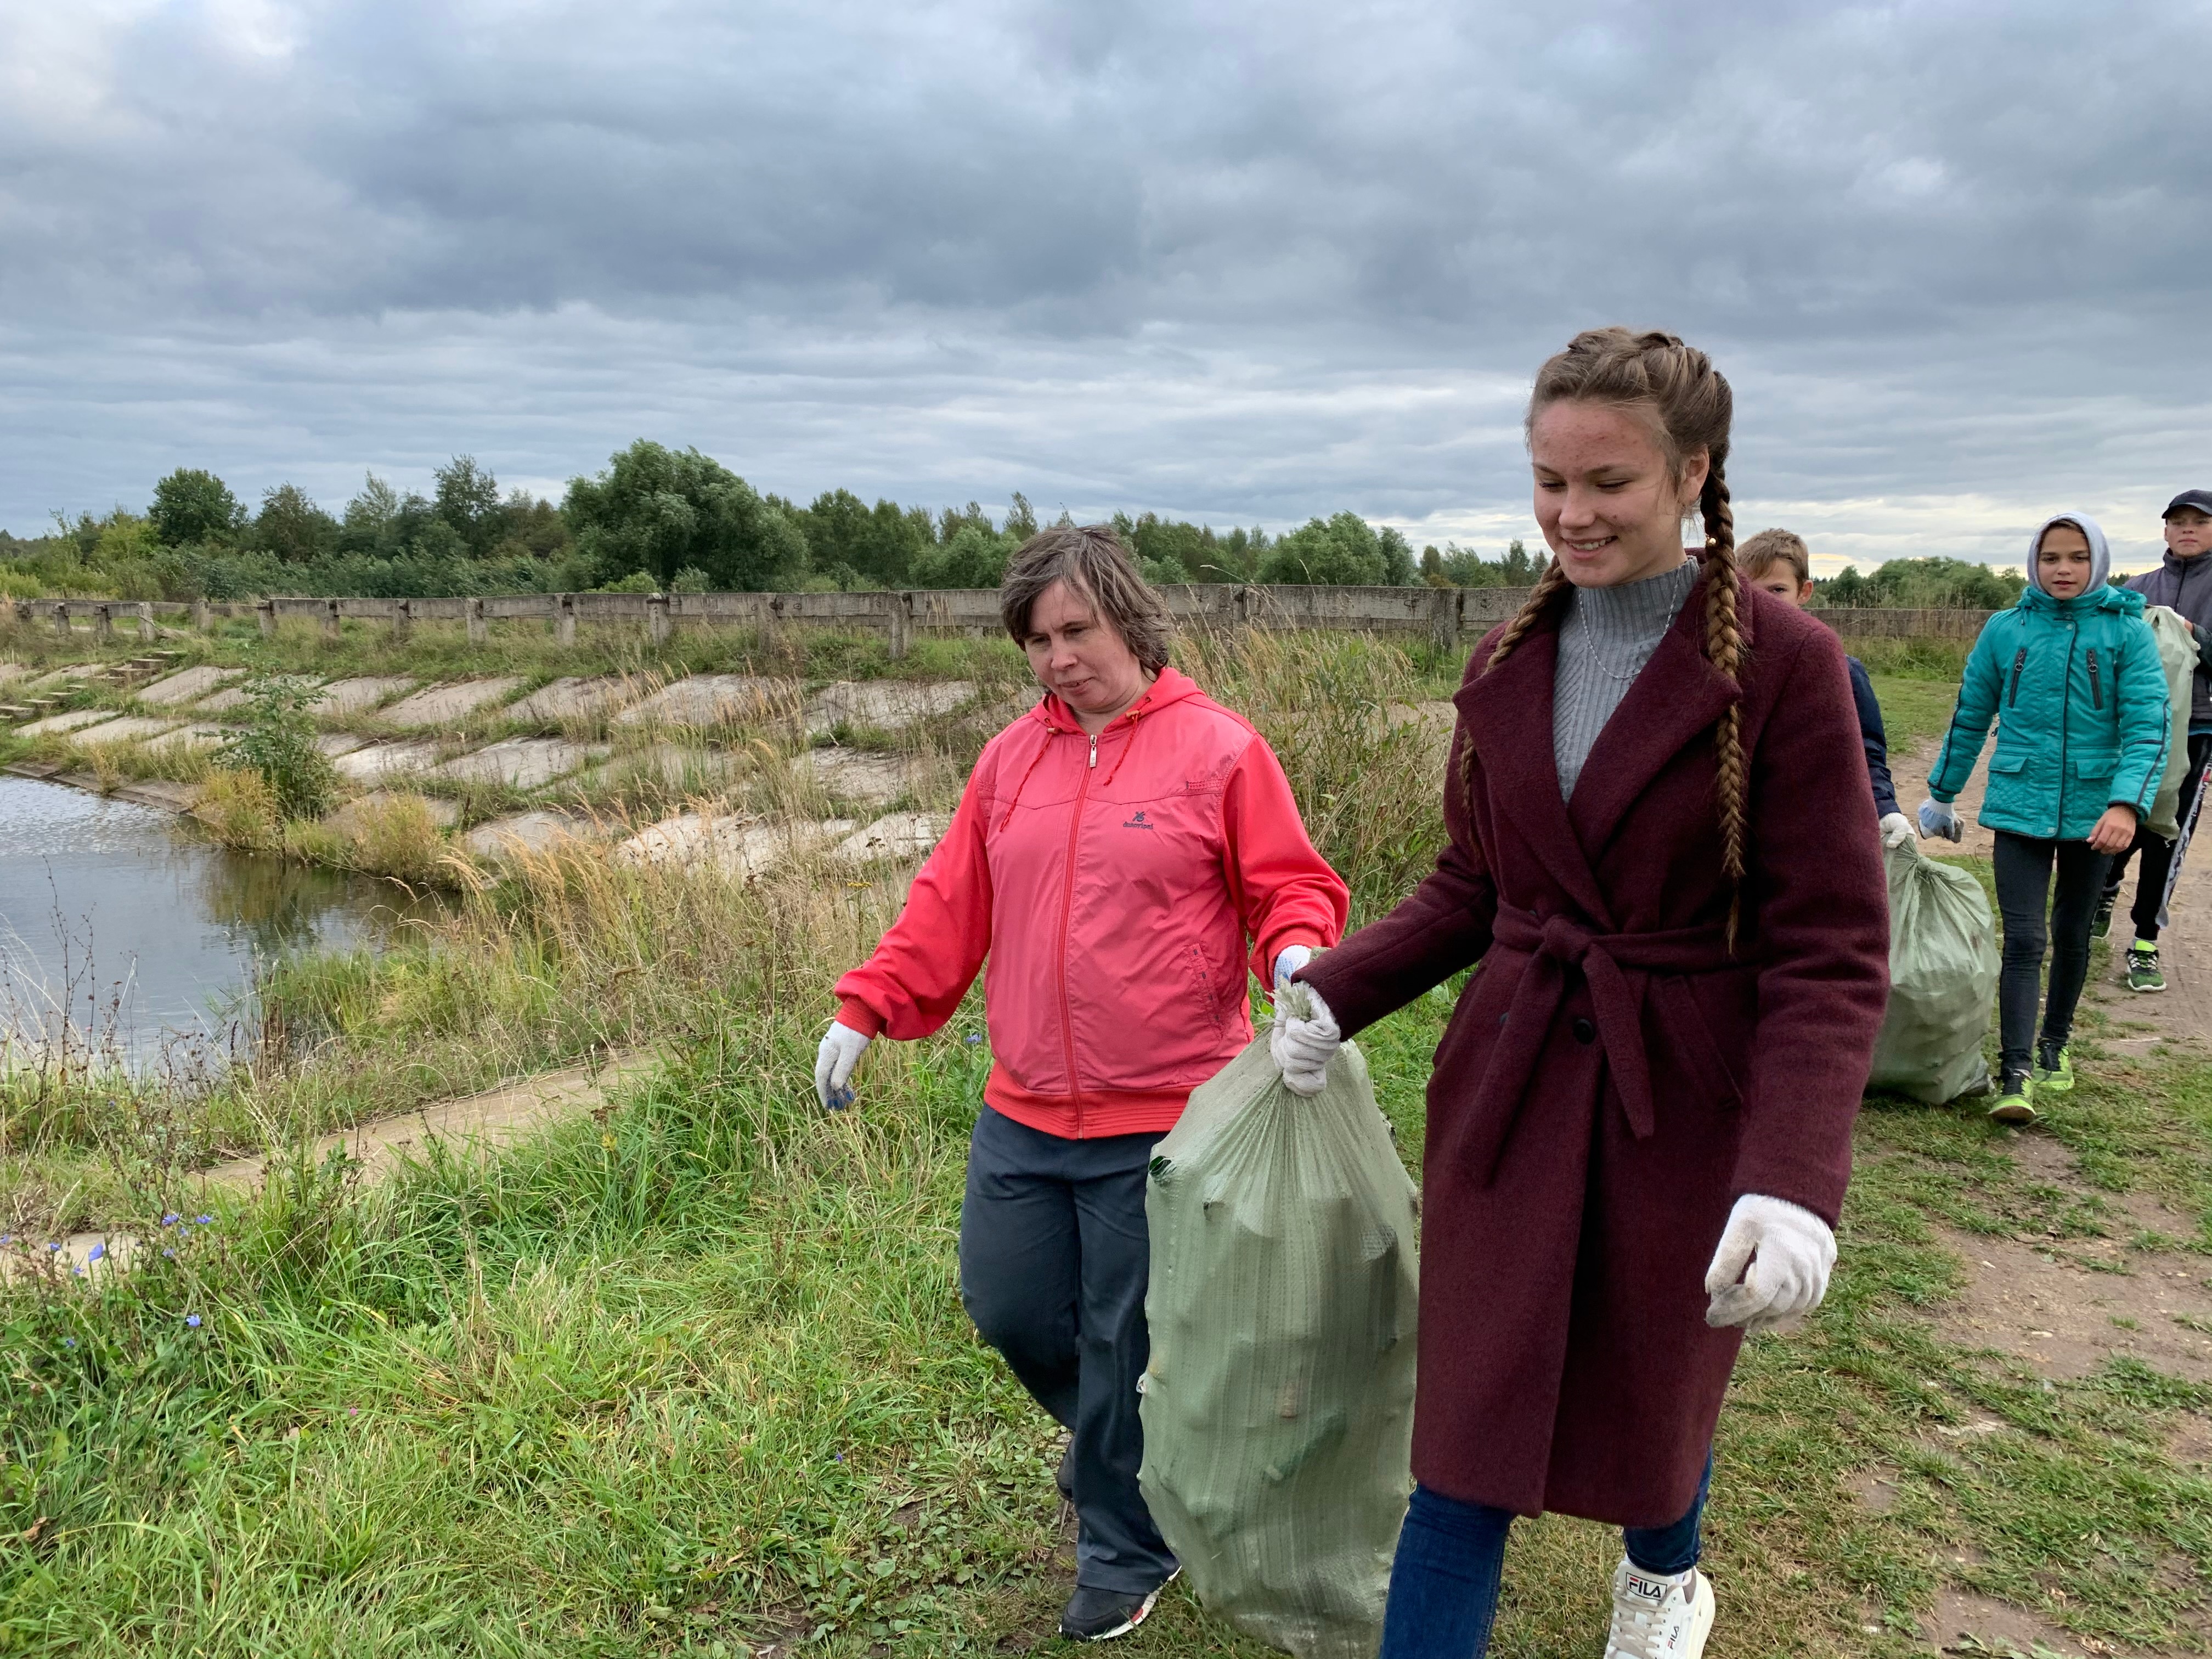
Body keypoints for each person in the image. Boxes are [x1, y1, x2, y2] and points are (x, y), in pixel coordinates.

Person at [1271, 327, 1891, 1659]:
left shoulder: (1785, 667)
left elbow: (1832, 948)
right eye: (1548, 479)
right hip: (1512, 1090)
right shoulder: (1506, 658)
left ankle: (1665, 1573)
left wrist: (1794, 1178)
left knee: (1659, 1388)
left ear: (1690, 474)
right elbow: (1475, 885)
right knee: (1462, 1450)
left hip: (1684, 1098)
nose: (1571, 513)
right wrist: (1336, 990)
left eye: (1606, 481)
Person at [814, 525, 1348, 1644]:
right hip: (1024, 1108)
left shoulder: (1220, 751)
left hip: (1163, 1111)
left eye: (1076, 629)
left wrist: (1298, 955)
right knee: (1012, 1309)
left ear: (1130, 621)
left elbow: (1287, 887)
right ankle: (1130, 1446)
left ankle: (1128, 1542)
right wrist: (869, 1004)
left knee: (1122, 1340)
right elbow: (950, 900)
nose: (1057, 656)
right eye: (1036, 638)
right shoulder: (1012, 761)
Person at [1918, 513, 2167, 1121]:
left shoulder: (2127, 633)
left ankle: (2056, 1045)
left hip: (2097, 814)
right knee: (2025, 939)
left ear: (2098, 562)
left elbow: (2147, 727)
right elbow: (1970, 713)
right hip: (2018, 805)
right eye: (2051, 557)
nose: (2063, 569)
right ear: (2034, 561)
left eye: (2077, 558)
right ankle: (2016, 1071)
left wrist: (2125, 804)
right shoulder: (2006, 630)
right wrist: (1943, 794)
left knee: (2073, 933)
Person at [2096, 487, 2212, 991]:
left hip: (2196, 729)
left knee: (2167, 834)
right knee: (2119, 817)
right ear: (2165, 530)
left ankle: (2145, 941)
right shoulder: (2137, 587)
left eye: (2199, 522)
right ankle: (2104, 887)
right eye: (2178, 521)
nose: (2187, 529)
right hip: (2128, 730)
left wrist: (2196, 635)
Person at [1737, 527, 1911, 849]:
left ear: (1804, 592)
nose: (1762, 604)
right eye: (1751, 592)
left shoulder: (1842, 670)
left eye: (1777, 590)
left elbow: (1866, 750)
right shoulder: (1724, 668)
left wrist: (1884, 808)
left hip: (1811, 831)